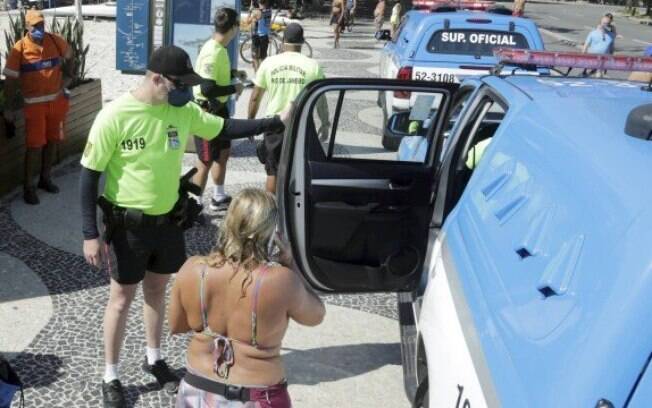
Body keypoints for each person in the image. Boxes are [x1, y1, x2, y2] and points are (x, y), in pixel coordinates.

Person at [79, 45, 289, 408]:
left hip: (168, 223)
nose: (186, 92)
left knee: (157, 290)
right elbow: (88, 178)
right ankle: (111, 374)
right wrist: (89, 234)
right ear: (157, 78)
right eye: (180, 85)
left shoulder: (184, 111)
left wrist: (273, 121)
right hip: (128, 227)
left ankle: (154, 357)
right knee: (120, 299)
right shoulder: (114, 115)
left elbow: (226, 126)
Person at [170, 188, 325, 407]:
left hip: (197, 390)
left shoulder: (193, 269)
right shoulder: (280, 280)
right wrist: (291, 264)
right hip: (256, 396)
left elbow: (176, 325)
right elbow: (316, 315)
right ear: (271, 232)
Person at [247, 23, 330, 194]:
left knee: (273, 172)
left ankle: (271, 213)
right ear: (303, 41)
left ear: (283, 40)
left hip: (274, 124)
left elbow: (255, 97)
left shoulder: (269, 63)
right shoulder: (313, 65)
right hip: (302, 124)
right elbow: (321, 98)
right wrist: (325, 122)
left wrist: (251, 122)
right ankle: (296, 209)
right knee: (302, 168)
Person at [3, 9, 73, 205]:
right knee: (34, 146)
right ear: (27, 27)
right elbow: (9, 81)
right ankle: (28, 187)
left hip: (57, 103)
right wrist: (8, 108)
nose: (39, 29)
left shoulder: (55, 40)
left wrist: (70, 77)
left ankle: (45, 179)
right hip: (34, 107)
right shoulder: (20, 48)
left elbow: (71, 55)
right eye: (35, 26)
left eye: (41, 25)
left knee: (52, 141)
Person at [192, 7, 247, 211]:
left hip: (220, 110)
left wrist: (234, 73)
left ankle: (218, 196)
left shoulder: (220, 48)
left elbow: (215, 77)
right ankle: (195, 204)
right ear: (233, 28)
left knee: (223, 153)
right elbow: (207, 89)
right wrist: (235, 88)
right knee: (205, 160)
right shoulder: (212, 51)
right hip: (207, 113)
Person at [248, 0, 272, 73]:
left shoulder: (256, 12)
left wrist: (250, 11)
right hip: (265, 35)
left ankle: (257, 74)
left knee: (255, 57)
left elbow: (248, 21)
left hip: (256, 36)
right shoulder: (269, 10)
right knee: (263, 57)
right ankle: (262, 75)